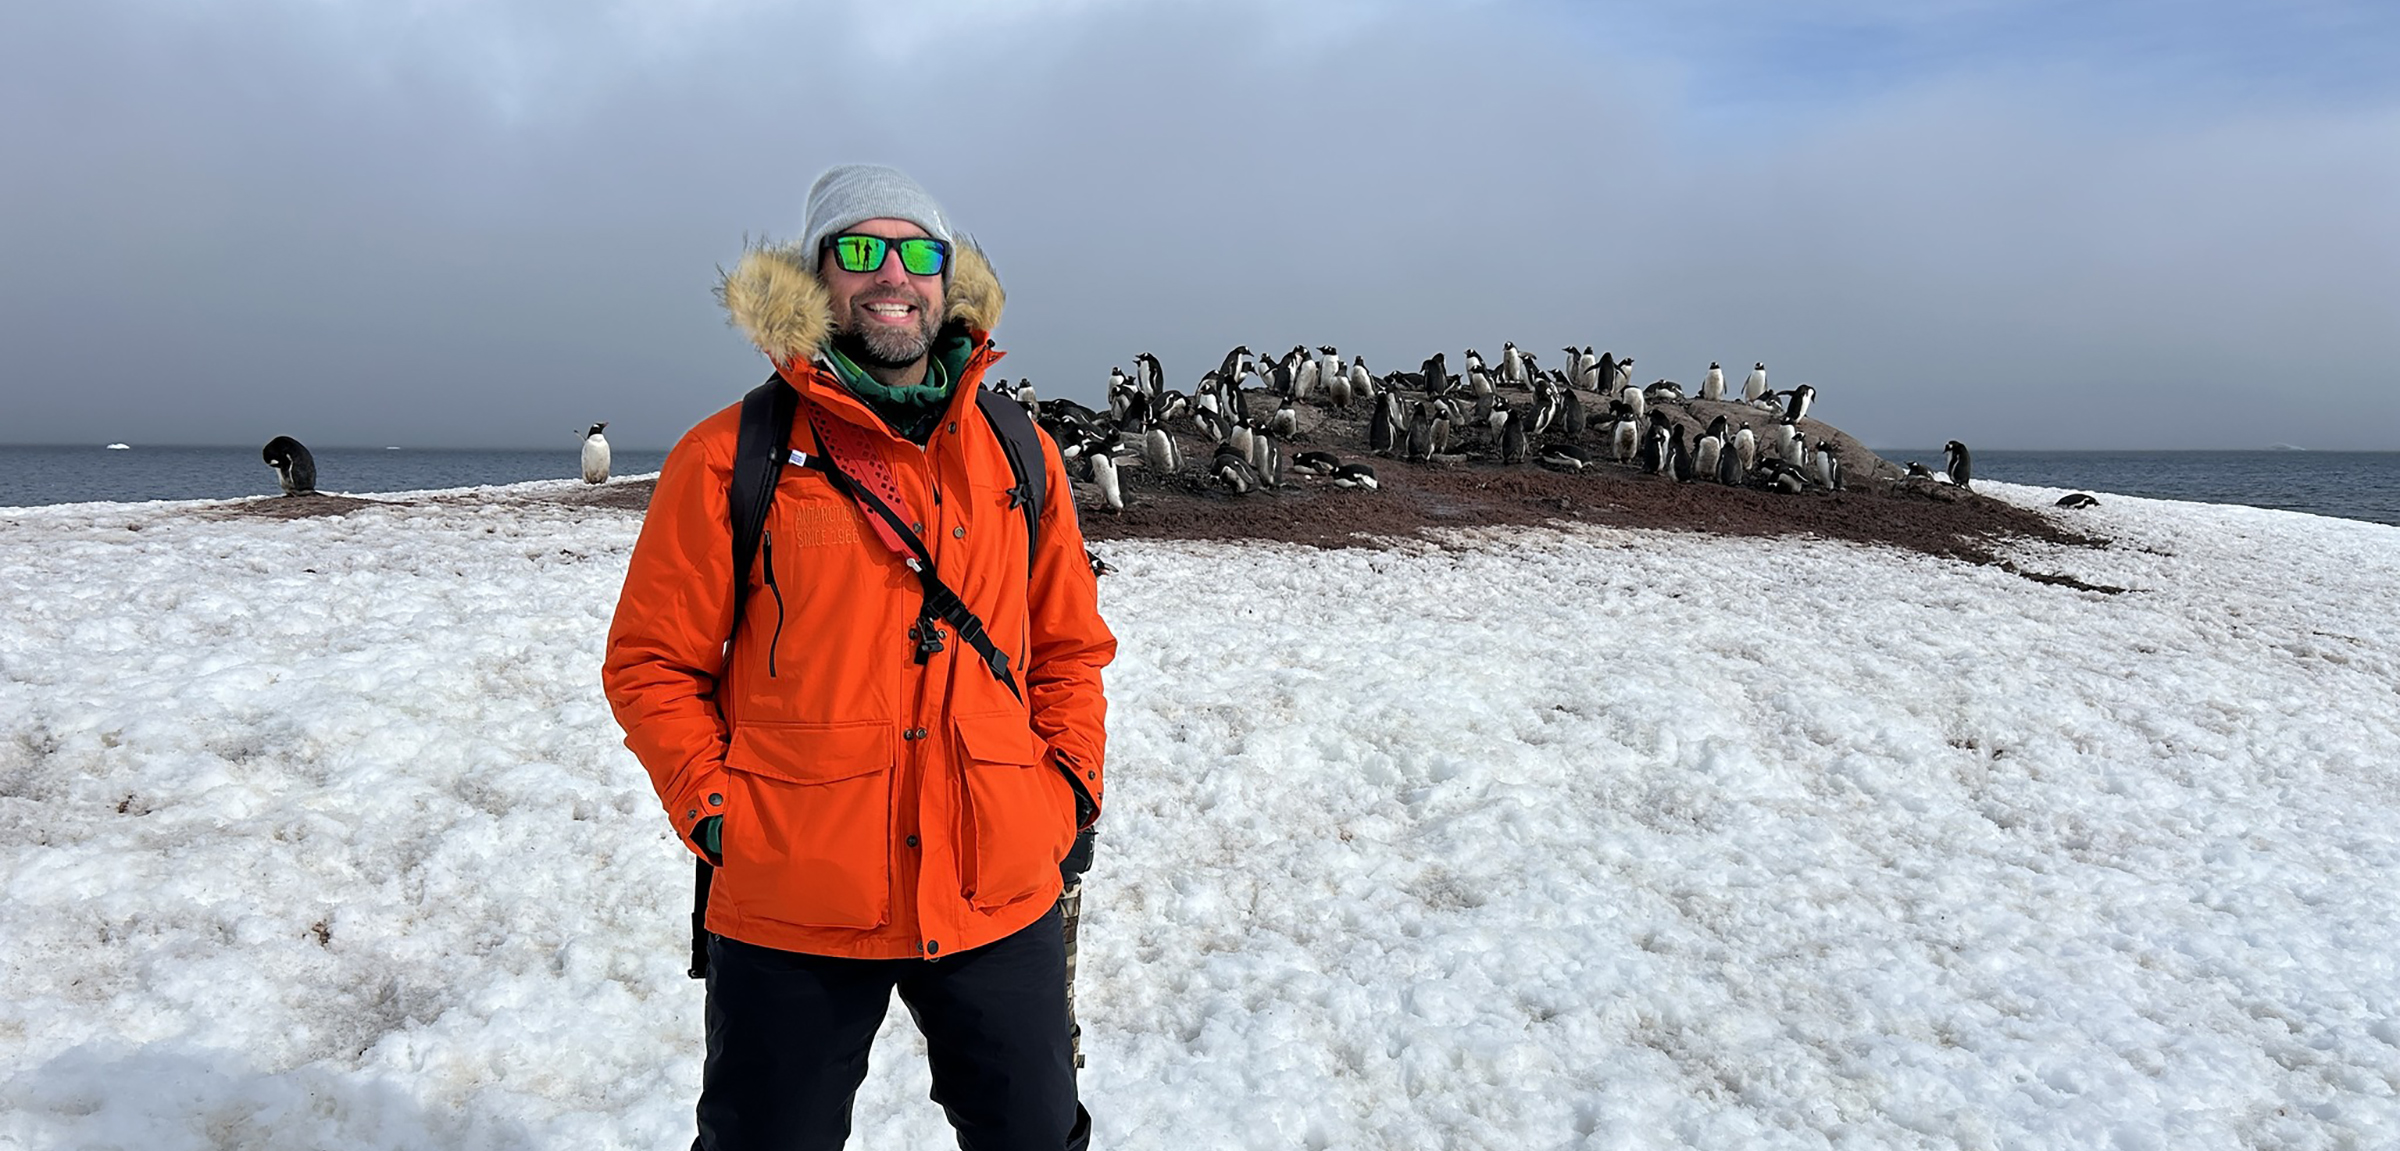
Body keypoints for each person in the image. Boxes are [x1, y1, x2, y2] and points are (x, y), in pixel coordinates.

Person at [603, 163, 1115, 1151]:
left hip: (993, 877)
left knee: (1034, 1133)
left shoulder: (1020, 451)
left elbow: (1068, 649)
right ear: (814, 277)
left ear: (948, 277)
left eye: (919, 252)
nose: (893, 275)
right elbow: (651, 663)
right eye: (860, 249)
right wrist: (722, 816)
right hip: (794, 891)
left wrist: (1066, 793)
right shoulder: (729, 454)